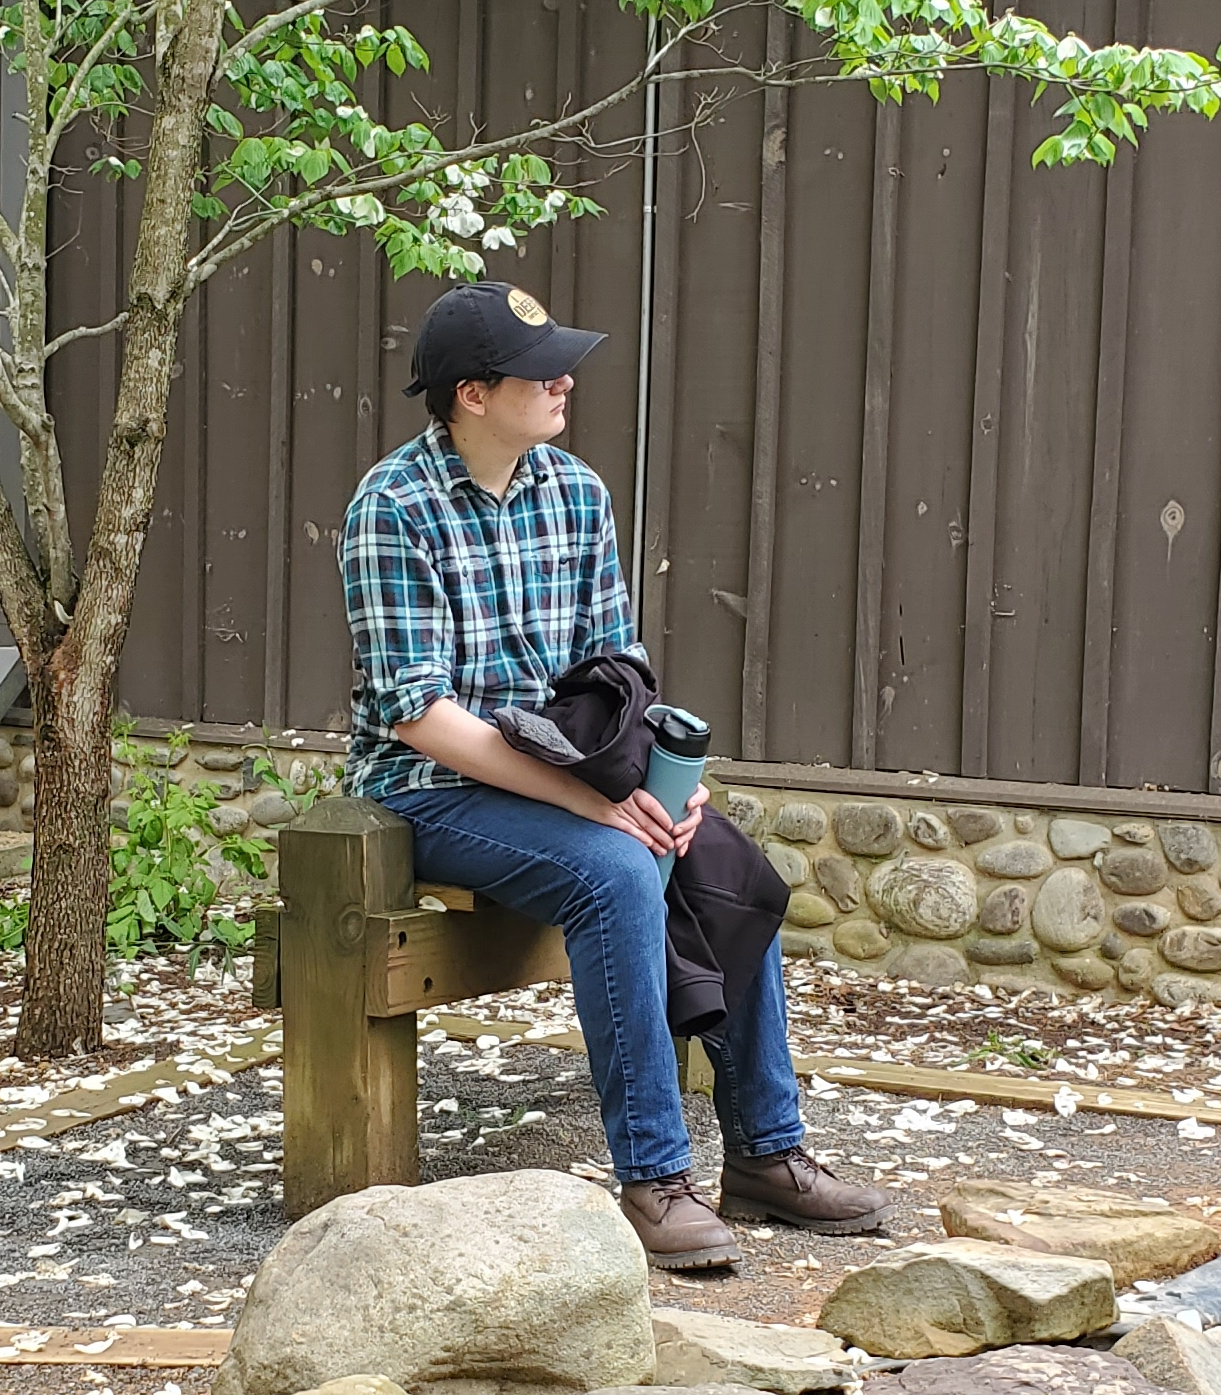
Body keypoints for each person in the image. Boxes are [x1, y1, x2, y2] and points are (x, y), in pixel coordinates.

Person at [338, 281, 895, 1269]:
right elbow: (418, 717)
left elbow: (618, 670)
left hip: (569, 772)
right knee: (621, 871)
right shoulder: (392, 506)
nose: (564, 380)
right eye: (539, 368)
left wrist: (671, 781)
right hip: (433, 791)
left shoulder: (576, 491)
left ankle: (767, 1155)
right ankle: (653, 1178)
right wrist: (598, 807)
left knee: (720, 860)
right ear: (472, 393)